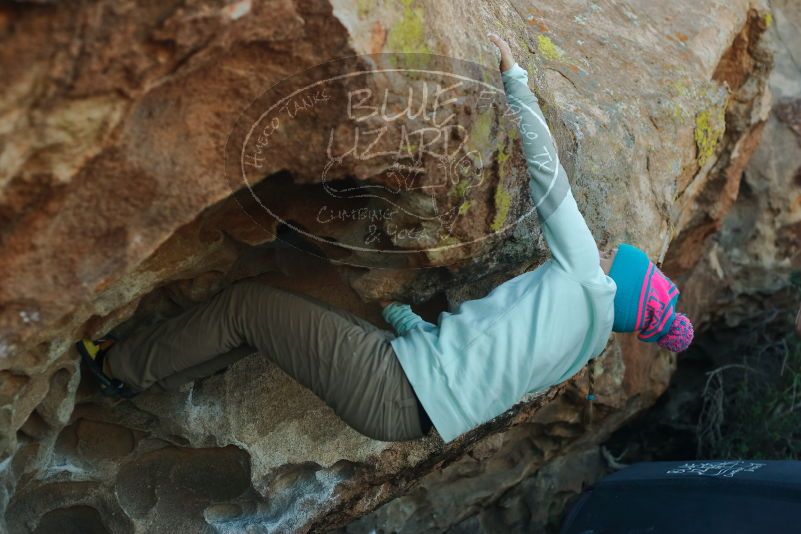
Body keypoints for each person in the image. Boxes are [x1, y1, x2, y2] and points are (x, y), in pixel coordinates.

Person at [77, 34, 694, 443]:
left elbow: (548, 177)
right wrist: (414, 326)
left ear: (621, 283)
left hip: (392, 384)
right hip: (410, 414)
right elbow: (489, 360)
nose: (610, 252)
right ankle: (156, 375)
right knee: (265, 317)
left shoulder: (586, 273)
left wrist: (517, 83)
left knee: (248, 305)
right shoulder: (583, 346)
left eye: (621, 261)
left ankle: (116, 366)